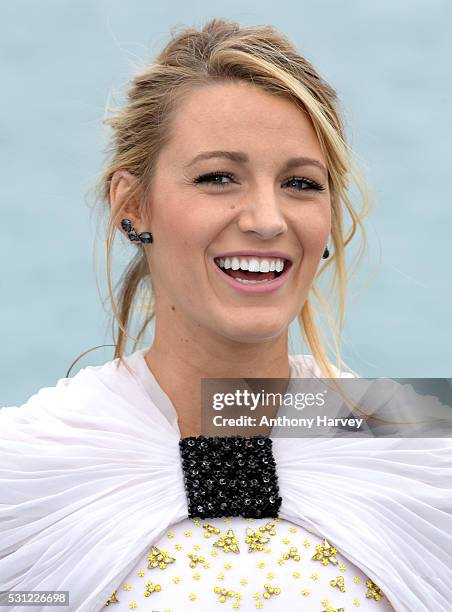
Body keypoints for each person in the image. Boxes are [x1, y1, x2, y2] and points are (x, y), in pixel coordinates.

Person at [1, 18, 451, 612]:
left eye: (300, 183)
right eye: (218, 177)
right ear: (133, 206)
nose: (267, 219)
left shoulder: (418, 451)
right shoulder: (24, 474)